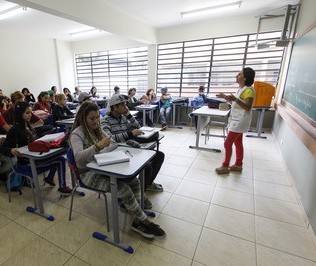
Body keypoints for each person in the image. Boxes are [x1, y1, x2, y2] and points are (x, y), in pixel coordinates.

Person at [70, 101, 166, 239]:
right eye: (92, 118)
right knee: (123, 189)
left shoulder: (98, 129)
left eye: (97, 117)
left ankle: (137, 218)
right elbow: (78, 158)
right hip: (88, 173)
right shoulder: (77, 134)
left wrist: (99, 152)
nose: (96, 121)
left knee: (134, 182)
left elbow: (113, 144)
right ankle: (143, 221)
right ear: (83, 118)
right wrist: (97, 147)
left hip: (102, 166)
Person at [1, 101, 72, 194]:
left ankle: (50, 178)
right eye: (27, 113)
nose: (30, 115)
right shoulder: (15, 129)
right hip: (26, 163)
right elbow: (4, 147)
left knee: (58, 158)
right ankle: (62, 187)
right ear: (19, 114)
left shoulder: (29, 126)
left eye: (30, 112)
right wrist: (11, 150)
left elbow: (34, 142)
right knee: (60, 160)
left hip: (35, 158)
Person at [101, 94, 164, 194]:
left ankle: (148, 184)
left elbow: (138, 127)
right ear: (115, 107)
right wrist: (130, 133)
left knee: (159, 155)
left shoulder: (122, 117)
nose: (126, 107)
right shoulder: (105, 120)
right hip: (118, 151)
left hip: (128, 148)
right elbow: (109, 139)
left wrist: (129, 115)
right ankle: (139, 193)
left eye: (125, 105)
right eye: (123, 105)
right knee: (147, 165)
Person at [215, 67, 256, 174]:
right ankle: (238, 164)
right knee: (238, 143)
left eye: (239, 74)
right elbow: (237, 103)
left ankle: (225, 165)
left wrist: (235, 99)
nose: (237, 76)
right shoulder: (241, 89)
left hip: (240, 121)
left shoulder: (249, 90)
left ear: (245, 78)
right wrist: (227, 98)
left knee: (227, 143)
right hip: (236, 119)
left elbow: (247, 107)